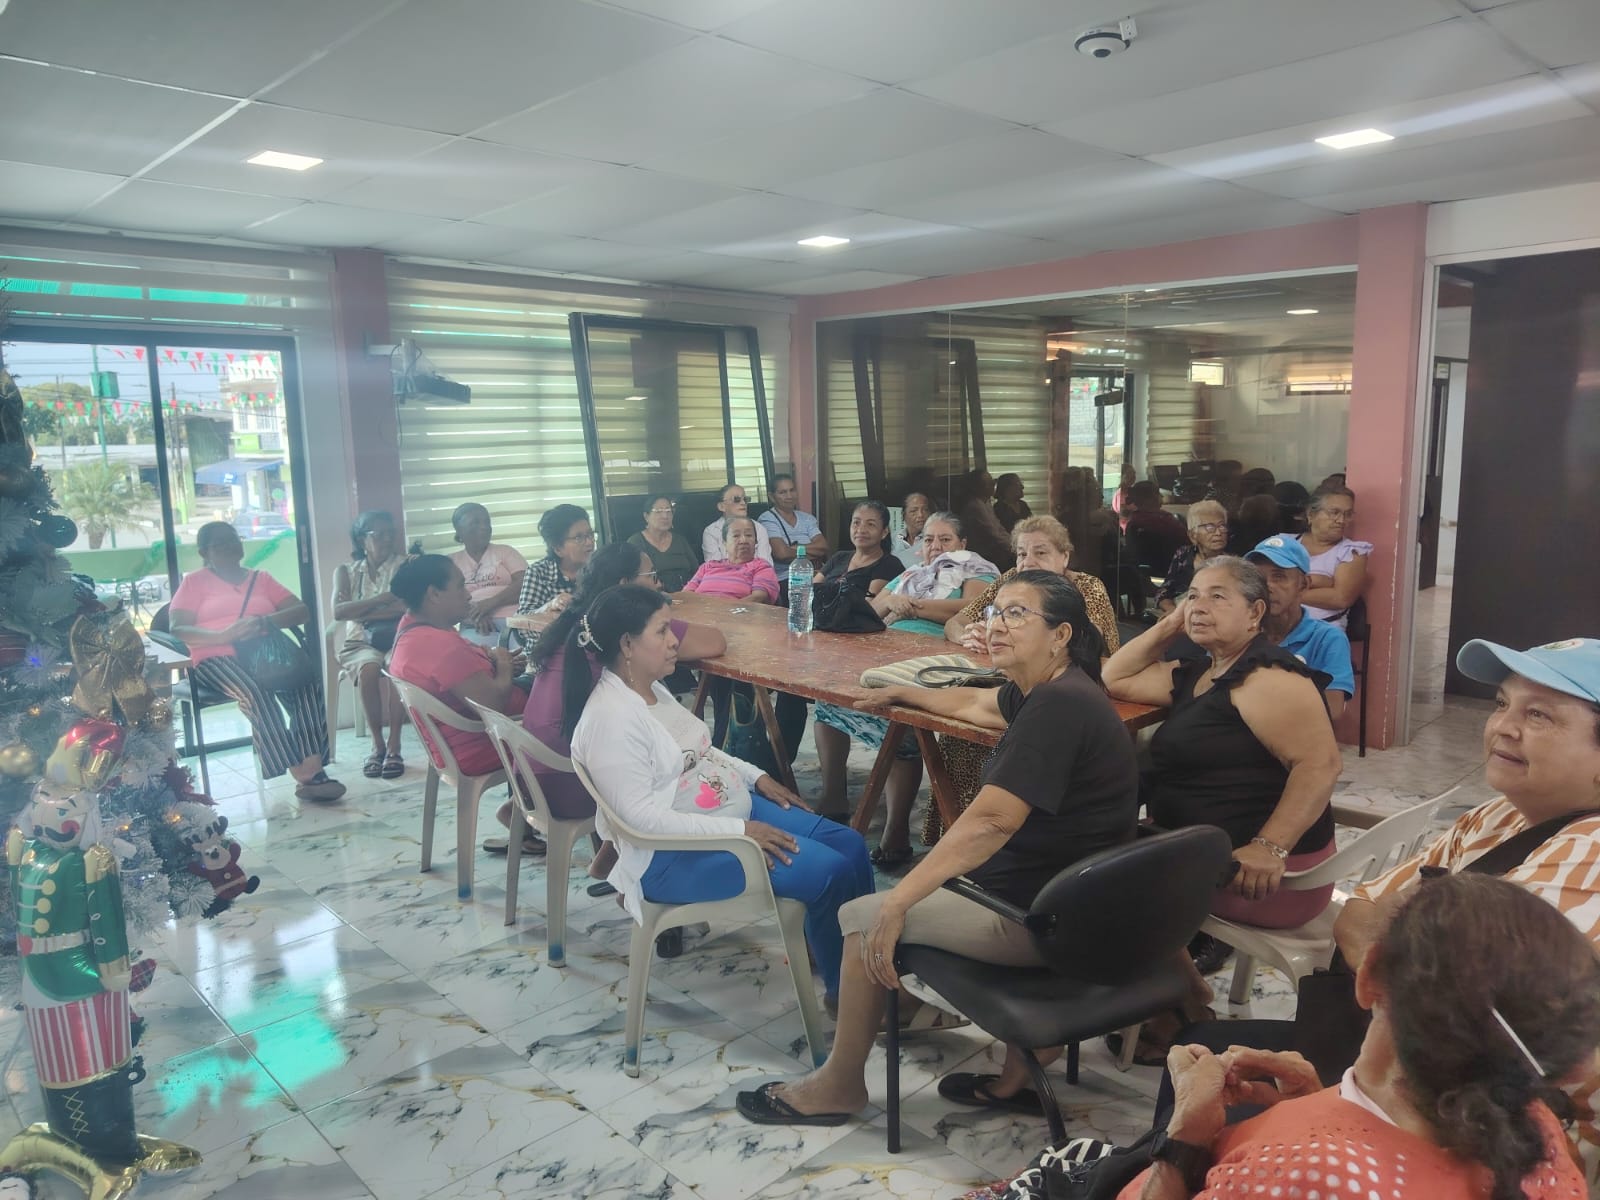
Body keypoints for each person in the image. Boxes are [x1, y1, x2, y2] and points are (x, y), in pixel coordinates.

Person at [736, 572, 1139, 1126]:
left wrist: (899, 899)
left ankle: (839, 1086)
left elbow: (991, 822)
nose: (996, 625)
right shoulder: (1054, 689)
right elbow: (975, 704)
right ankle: (918, 1016)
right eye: (995, 612)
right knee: (910, 895)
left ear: (1061, 634)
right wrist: (904, 692)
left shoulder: (1058, 707)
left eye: (1017, 614)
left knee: (862, 918)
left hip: (1042, 914)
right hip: (1070, 893)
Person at [1125, 874, 1597, 1200]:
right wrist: (1322, 1107)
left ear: (1368, 974)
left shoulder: (1299, 1173)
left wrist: (1183, 1143)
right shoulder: (1535, 1134)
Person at [1331, 635, 1600, 1188]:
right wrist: (1407, 977)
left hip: (1510, 1147)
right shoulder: (1500, 815)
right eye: (1502, 703)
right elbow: (1358, 909)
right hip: (1417, 1081)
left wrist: (1399, 972)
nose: (1502, 726)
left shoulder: (1587, 860)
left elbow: (1462, 1031)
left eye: (1539, 715)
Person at [567, 586, 872, 1009]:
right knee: (830, 872)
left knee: (851, 845)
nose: (674, 640)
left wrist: (756, 776)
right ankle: (854, 999)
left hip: (726, 810)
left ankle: (845, 960)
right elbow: (641, 821)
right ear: (627, 645)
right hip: (671, 857)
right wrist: (741, 830)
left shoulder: (650, 688)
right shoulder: (611, 720)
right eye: (662, 631)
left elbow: (701, 748)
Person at [1105, 558, 1341, 929]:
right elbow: (1115, 677)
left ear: (1255, 613)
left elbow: (1320, 765)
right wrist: (1172, 622)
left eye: (1217, 597)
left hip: (1258, 875)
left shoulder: (1266, 676)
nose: (1199, 607)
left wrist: (1269, 847)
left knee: (1088, 881)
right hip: (1194, 850)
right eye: (1192, 597)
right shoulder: (1206, 670)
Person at [524, 543, 726, 882]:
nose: (658, 583)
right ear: (624, 585)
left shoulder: (575, 621)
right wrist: (664, 623)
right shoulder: (629, 631)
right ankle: (641, 867)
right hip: (572, 784)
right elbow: (715, 642)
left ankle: (610, 857)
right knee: (678, 766)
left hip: (533, 774)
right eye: (651, 576)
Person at [811, 513, 998, 859]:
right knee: (830, 701)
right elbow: (870, 611)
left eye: (945, 539)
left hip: (934, 661)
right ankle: (833, 796)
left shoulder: (976, 570)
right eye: (928, 539)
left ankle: (896, 832)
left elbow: (970, 610)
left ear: (962, 544)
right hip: (887, 651)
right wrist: (889, 602)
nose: (935, 546)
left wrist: (912, 607)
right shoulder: (912, 573)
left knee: (900, 724)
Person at [931, 515, 1120, 843]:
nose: (1027, 562)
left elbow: (1098, 650)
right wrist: (971, 635)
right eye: (1021, 553)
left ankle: (996, 834)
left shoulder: (1087, 588)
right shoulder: (1010, 581)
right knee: (955, 734)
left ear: (1065, 556)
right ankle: (958, 831)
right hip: (1006, 685)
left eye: (1040, 553)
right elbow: (956, 622)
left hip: (1056, 695)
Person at [169, 522, 344, 801]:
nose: (230, 546)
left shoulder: (260, 579)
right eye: (220, 543)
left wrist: (263, 621)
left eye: (233, 539)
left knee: (306, 683)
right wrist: (223, 635)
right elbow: (178, 628)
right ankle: (305, 774)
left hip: (265, 654)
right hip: (215, 657)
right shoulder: (194, 582)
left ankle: (313, 765)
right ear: (204, 552)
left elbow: (301, 611)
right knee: (255, 692)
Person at [387, 556, 530, 847]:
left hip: (452, 741)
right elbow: (494, 704)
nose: (468, 594)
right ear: (434, 594)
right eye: (461, 586)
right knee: (570, 716)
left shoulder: (413, 628)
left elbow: (462, 667)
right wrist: (503, 664)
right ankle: (534, 810)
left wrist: (490, 661)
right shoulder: (438, 645)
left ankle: (524, 808)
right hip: (483, 743)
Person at [330, 510, 409, 780]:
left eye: (391, 534)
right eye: (379, 534)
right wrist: (384, 599)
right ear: (362, 539)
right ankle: (377, 744)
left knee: (397, 667)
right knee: (368, 669)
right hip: (358, 642)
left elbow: (406, 607)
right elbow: (339, 612)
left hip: (398, 637)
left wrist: (361, 611)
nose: (388, 539)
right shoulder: (346, 571)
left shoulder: (405, 566)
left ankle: (395, 744)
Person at [1245, 536, 1353, 718]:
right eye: (1259, 578)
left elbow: (1332, 711)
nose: (1267, 586)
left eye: (1279, 577)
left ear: (1303, 585)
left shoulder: (1327, 638)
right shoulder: (1238, 634)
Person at [448, 502, 527, 647]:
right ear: (459, 529)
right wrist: (474, 614)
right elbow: (445, 601)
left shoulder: (505, 551)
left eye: (487, 522)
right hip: (475, 626)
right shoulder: (450, 562)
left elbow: (526, 584)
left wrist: (489, 604)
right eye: (475, 522)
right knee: (474, 654)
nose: (484, 527)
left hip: (513, 621)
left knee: (523, 654)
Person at [1297, 485, 1370, 627]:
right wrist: (1320, 581)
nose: (1341, 520)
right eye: (1334, 512)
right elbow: (1264, 584)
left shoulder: (1352, 552)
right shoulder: (1284, 543)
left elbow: (1340, 598)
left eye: (1348, 514)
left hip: (1324, 630)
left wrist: (1286, 594)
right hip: (1278, 631)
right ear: (1311, 514)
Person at [516, 504, 594, 625]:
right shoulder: (539, 572)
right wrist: (549, 606)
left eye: (590, 534)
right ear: (558, 548)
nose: (589, 542)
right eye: (579, 538)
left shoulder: (599, 569)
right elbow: (522, 619)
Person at [814, 500, 903, 599]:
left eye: (870, 524)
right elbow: (812, 590)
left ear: (884, 532)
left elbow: (869, 605)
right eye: (856, 522)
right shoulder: (839, 557)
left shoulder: (890, 564)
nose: (861, 530)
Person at [1154, 499, 1229, 613]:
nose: (1218, 533)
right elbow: (1163, 592)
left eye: (1222, 526)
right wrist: (1174, 613)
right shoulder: (1183, 555)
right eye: (1210, 527)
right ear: (1193, 535)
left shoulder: (1231, 564)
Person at [682, 517, 780, 602]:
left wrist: (723, 611)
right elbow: (686, 595)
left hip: (736, 616)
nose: (743, 540)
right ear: (724, 543)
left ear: (756, 541)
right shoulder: (708, 566)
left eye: (749, 535)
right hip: (700, 612)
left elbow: (758, 598)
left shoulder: (761, 567)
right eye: (736, 536)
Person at [627, 494, 699, 592]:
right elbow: (634, 579)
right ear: (646, 516)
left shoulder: (680, 540)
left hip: (687, 593)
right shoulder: (636, 542)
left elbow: (697, 571)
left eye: (668, 511)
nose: (665, 516)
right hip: (654, 595)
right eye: (658, 511)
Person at [757, 473, 828, 566]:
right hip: (785, 573)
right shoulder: (767, 519)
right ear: (771, 497)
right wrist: (813, 552)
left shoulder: (807, 518)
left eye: (792, 490)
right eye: (783, 492)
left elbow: (823, 546)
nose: (789, 496)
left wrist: (793, 548)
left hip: (814, 570)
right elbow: (781, 553)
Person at [952, 468, 1012, 569]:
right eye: (989, 483)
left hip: (994, 550)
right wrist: (1012, 547)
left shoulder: (986, 502)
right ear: (978, 487)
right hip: (983, 555)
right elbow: (993, 534)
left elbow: (999, 527)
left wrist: (1013, 542)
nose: (993, 484)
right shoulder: (974, 506)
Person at [702, 483, 774, 565]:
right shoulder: (711, 531)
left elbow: (766, 564)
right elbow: (714, 567)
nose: (743, 503)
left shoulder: (759, 528)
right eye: (736, 499)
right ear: (721, 506)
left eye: (745, 499)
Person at [1123, 480, 1188, 569]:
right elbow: (1186, 542)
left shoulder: (1132, 521)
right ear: (1151, 498)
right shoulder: (1166, 521)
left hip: (1140, 571)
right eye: (1158, 493)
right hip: (1170, 569)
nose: (1162, 496)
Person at [891, 491, 931, 570]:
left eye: (925, 510)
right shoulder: (894, 538)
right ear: (903, 515)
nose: (920, 515)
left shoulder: (934, 539)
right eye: (913, 511)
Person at [1111, 462, 1138, 530]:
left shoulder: (1131, 491)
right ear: (1122, 476)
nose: (1133, 477)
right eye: (1129, 474)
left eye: (1134, 474)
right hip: (1125, 528)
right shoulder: (1120, 494)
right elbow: (1124, 513)